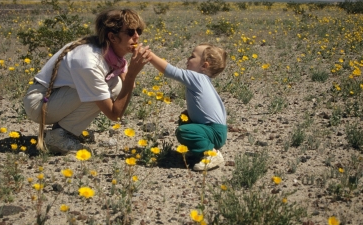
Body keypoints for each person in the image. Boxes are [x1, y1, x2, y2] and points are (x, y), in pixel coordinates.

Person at [23, 9, 151, 154]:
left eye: (138, 31)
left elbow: (128, 85)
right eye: (130, 32)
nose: (137, 36)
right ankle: (59, 136)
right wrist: (132, 74)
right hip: (39, 103)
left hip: (54, 97)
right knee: (112, 86)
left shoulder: (108, 53)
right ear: (112, 37)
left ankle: (64, 131)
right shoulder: (90, 62)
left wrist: (129, 75)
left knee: (114, 85)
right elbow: (115, 114)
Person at [147, 43, 228, 171]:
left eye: (192, 56)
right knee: (185, 117)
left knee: (183, 131)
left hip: (214, 131)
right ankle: (199, 151)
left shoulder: (197, 77)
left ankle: (211, 153)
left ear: (204, 65)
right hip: (216, 130)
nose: (188, 59)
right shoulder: (203, 80)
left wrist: (149, 55)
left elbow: (170, 71)